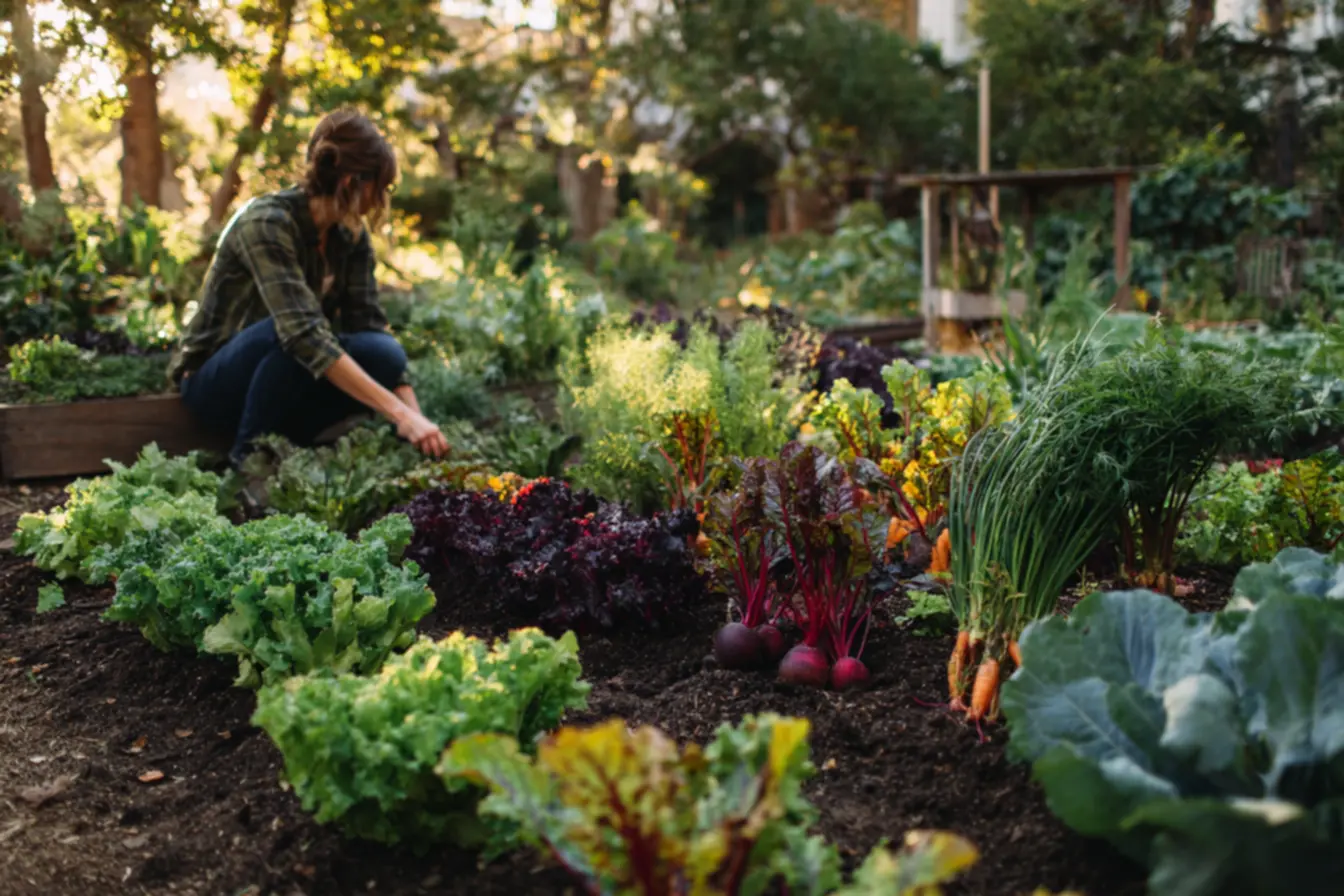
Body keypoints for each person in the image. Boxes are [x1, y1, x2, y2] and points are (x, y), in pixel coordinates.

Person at [169, 109, 448, 467]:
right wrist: (400, 415)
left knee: (385, 353)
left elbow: (368, 325)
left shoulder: (349, 236)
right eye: (380, 187)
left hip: (283, 376)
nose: (381, 200)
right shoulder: (267, 223)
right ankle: (250, 463)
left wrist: (419, 425)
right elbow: (302, 334)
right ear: (351, 182)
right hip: (214, 384)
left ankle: (292, 447)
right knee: (290, 335)